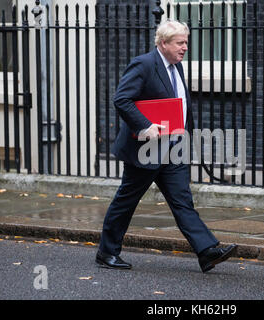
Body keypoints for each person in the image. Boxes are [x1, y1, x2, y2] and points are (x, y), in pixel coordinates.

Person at [96, 20, 237, 273]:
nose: (185, 48)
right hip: (146, 148)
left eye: (186, 42)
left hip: (173, 146)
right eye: (180, 43)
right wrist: (144, 125)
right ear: (163, 43)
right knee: (126, 201)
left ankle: (206, 251)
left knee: (182, 201)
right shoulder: (144, 64)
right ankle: (107, 253)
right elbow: (122, 99)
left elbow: (179, 104)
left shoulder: (176, 66)